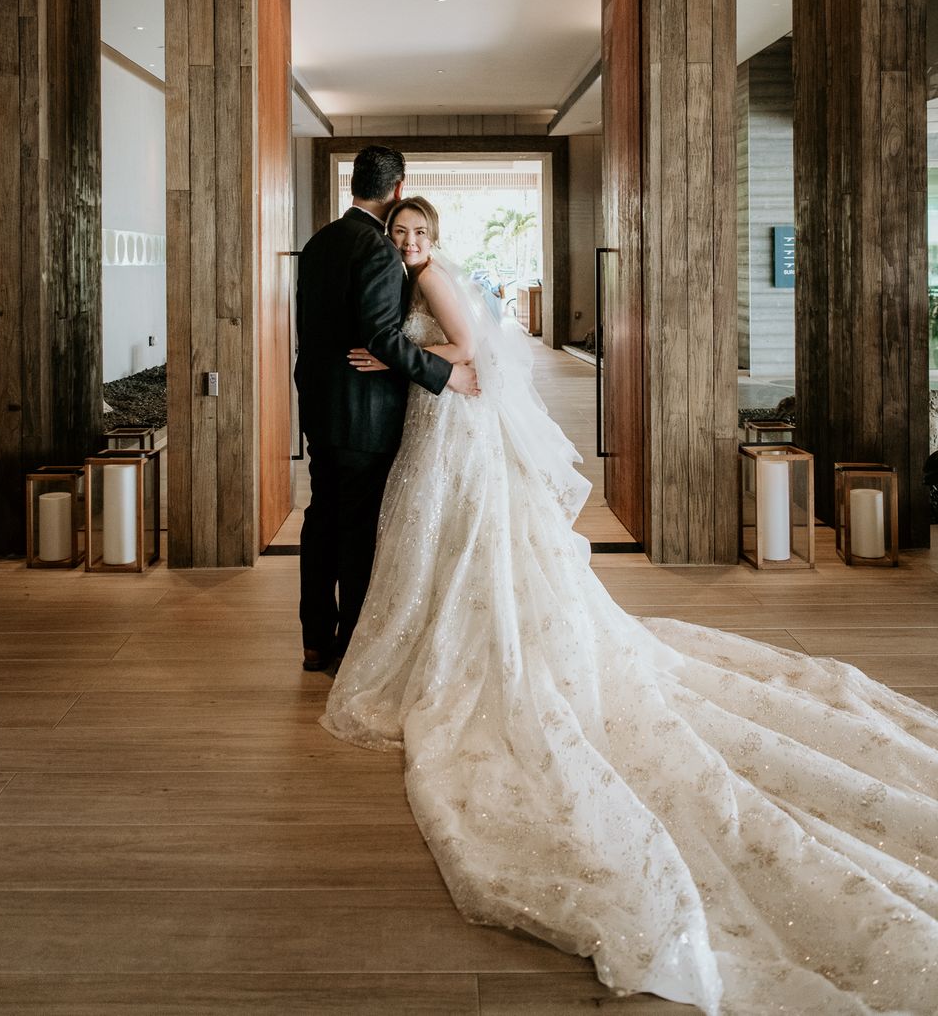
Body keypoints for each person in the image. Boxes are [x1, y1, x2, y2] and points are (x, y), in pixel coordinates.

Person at [325, 198, 938, 1016]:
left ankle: (460, 638)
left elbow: (469, 352)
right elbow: (443, 350)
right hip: (441, 416)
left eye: (419, 232)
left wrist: (410, 357)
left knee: (468, 536)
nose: (409, 243)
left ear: (434, 238)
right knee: (452, 541)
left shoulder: (430, 276)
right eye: (402, 233)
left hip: (453, 421)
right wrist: (393, 354)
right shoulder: (409, 274)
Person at [294, 149, 478, 674]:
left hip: (320, 407)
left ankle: (314, 639)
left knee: (321, 520)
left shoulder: (319, 242)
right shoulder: (376, 250)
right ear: (398, 188)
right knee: (356, 529)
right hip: (363, 414)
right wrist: (448, 375)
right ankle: (351, 643)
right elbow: (380, 338)